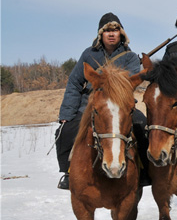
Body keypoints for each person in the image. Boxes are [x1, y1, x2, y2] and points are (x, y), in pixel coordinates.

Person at [55, 12, 149, 189]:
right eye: (107, 31)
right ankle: (68, 172)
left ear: (121, 33)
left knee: (141, 123)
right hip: (91, 104)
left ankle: (144, 171)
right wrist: (67, 113)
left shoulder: (130, 57)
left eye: (115, 30)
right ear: (101, 34)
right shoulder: (88, 54)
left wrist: (106, 79)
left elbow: (129, 81)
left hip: (120, 104)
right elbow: (75, 82)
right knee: (66, 130)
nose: (112, 34)